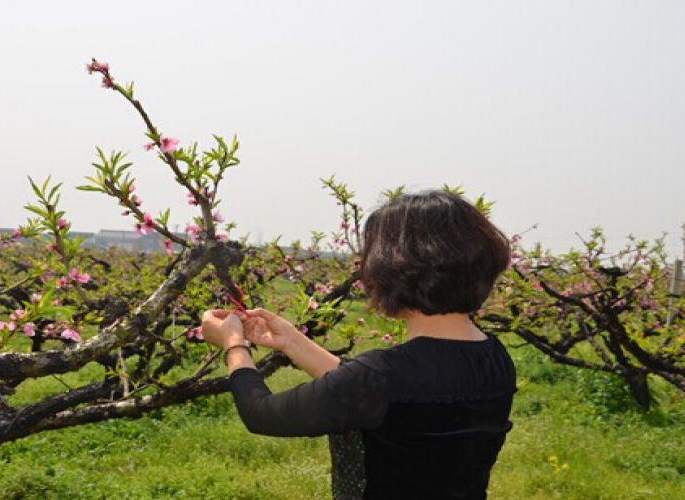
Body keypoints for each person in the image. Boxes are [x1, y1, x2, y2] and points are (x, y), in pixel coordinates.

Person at [201, 189, 517, 499]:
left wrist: (233, 344)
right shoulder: (495, 359)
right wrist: (292, 342)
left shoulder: (384, 375)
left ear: (393, 270)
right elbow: (389, 399)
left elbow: (261, 414)